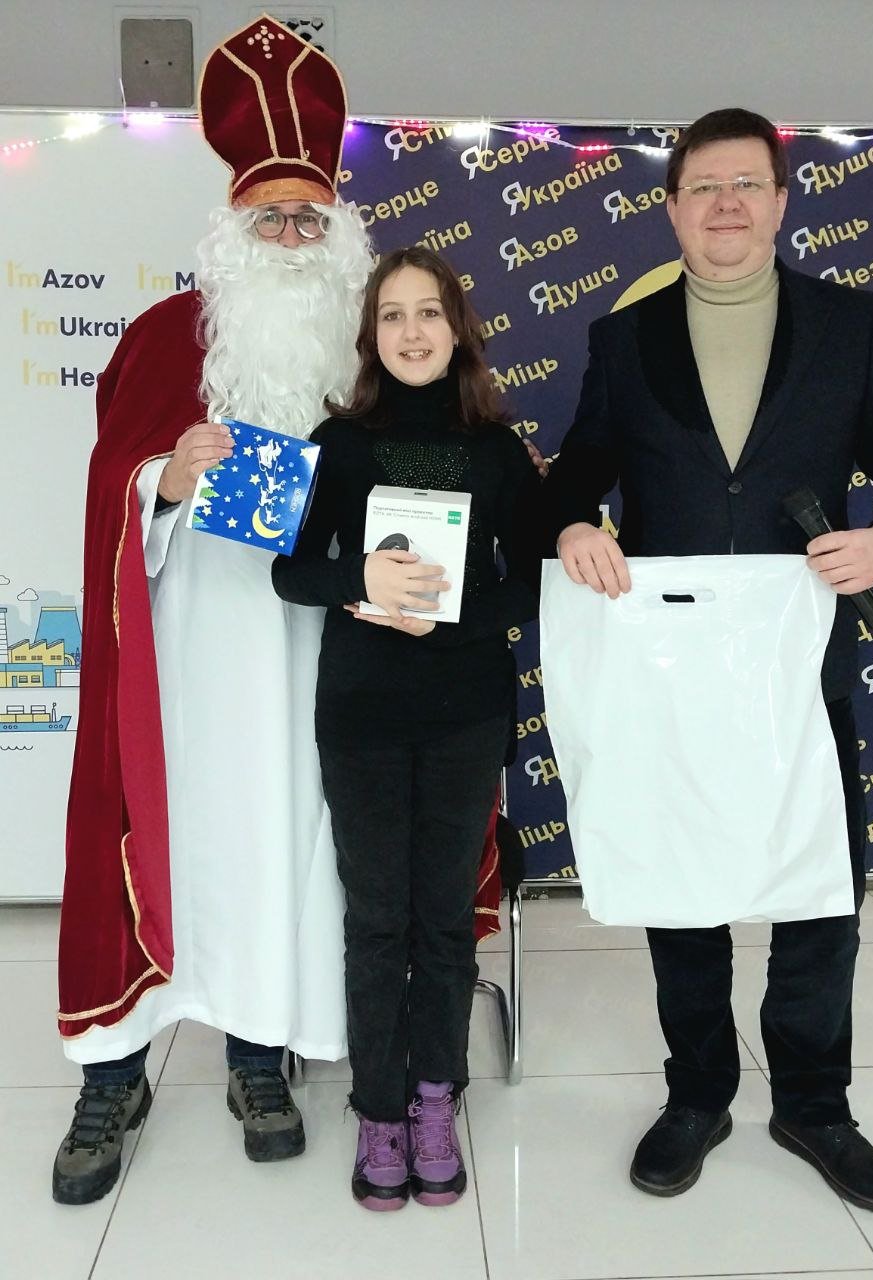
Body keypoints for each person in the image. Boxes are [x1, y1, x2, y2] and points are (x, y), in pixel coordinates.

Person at [542, 107, 873, 1212]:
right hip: (668, 669)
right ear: (671, 208)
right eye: (703, 187)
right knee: (682, 881)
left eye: (746, 184)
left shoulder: (852, 323)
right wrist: (569, 522)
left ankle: (815, 1105)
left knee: (820, 890)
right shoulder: (623, 339)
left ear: (779, 200)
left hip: (798, 659)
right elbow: (576, 471)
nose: (725, 204)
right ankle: (697, 1095)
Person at [53, 16, 373, 1205]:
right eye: (269, 219)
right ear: (231, 229)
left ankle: (256, 1053)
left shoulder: (374, 343)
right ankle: (113, 1069)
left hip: (320, 649)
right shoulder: (159, 339)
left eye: (308, 220)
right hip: (188, 654)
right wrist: (164, 478)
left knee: (283, 843)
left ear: (338, 234)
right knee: (160, 835)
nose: (288, 238)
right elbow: (109, 485)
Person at [272, 246, 542, 1211]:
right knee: (377, 919)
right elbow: (290, 571)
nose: (412, 331)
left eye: (429, 312)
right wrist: (359, 578)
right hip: (362, 715)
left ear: (457, 329)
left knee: (444, 917)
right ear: (370, 335)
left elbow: (529, 583)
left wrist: (450, 616)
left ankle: (437, 1097)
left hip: (466, 711)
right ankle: (379, 1109)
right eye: (392, 315)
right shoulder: (338, 442)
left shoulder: (498, 450)